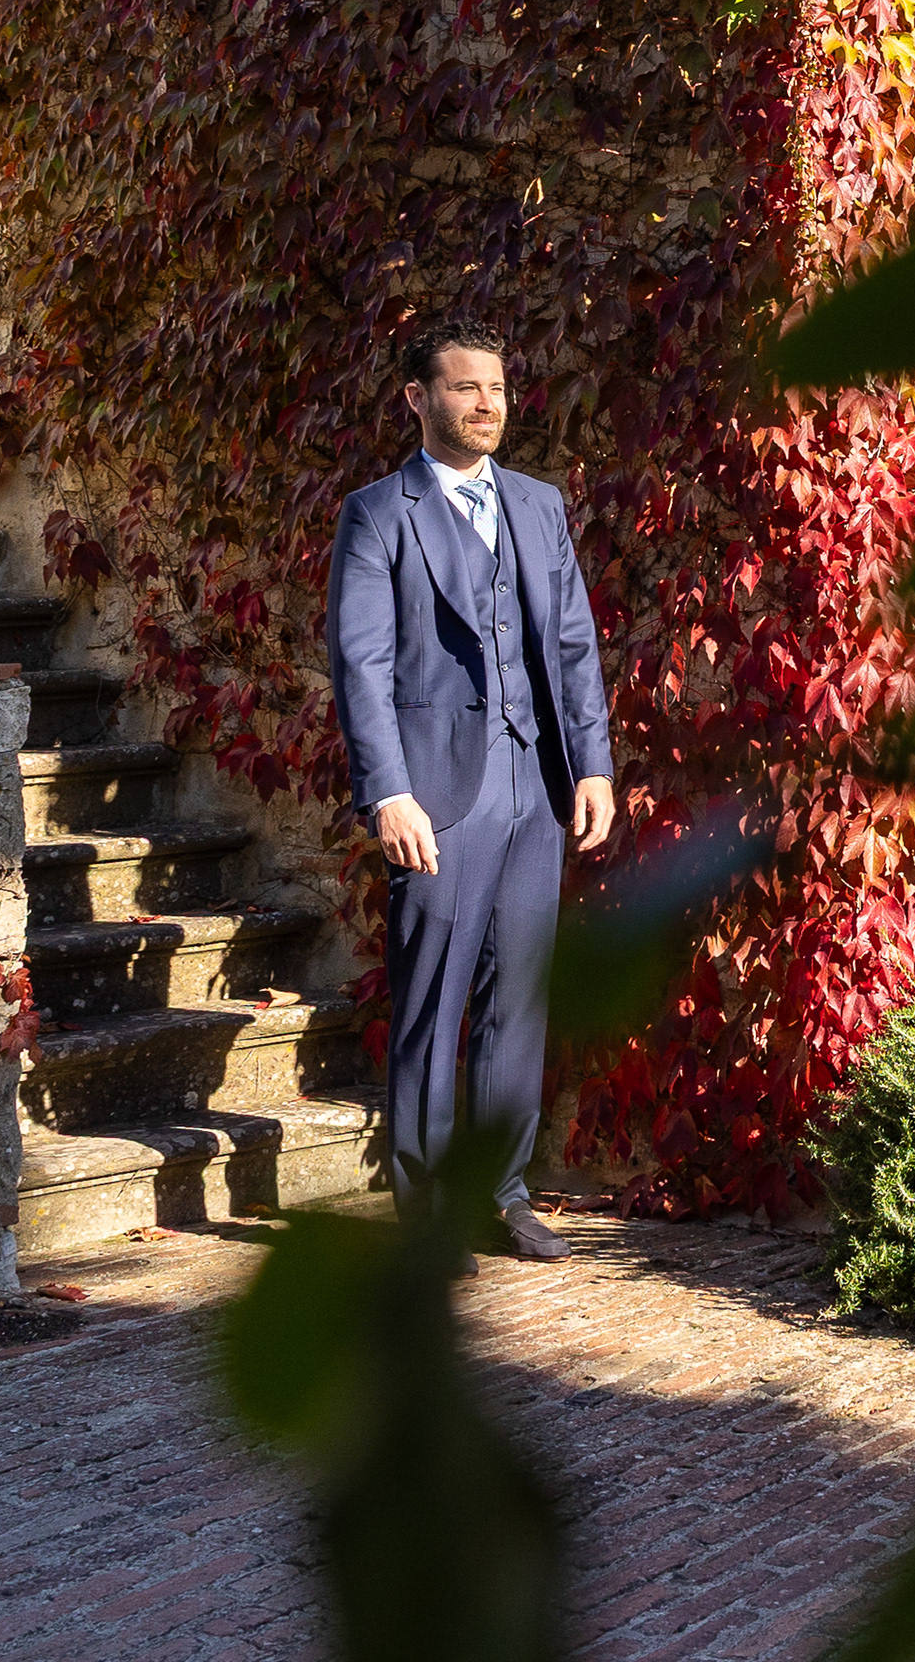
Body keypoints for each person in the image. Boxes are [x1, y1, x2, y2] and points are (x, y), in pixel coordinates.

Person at [326, 315, 614, 1267]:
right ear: (419, 399)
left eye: (494, 387)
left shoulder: (538, 504)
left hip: (536, 783)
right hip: (440, 793)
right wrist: (388, 793)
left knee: (517, 1000)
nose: (486, 404)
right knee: (432, 1002)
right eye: (464, 387)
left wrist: (594, 764)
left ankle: (504, 1195)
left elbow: (572, 644)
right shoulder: (379, 514)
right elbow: (361, 665)